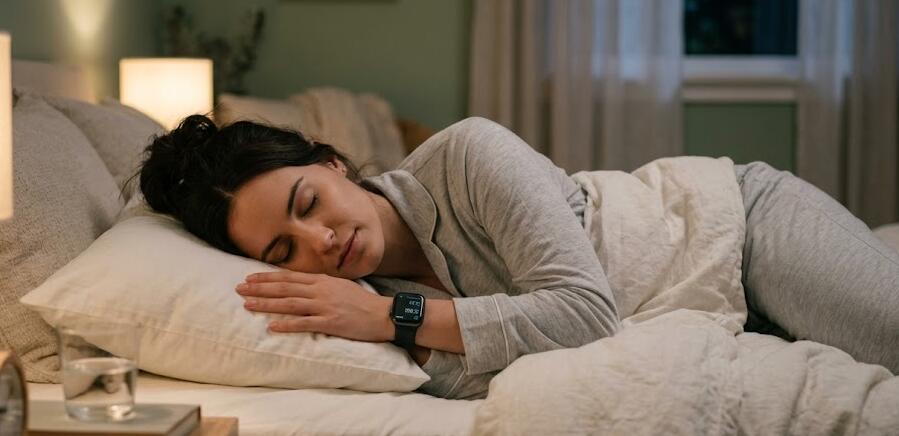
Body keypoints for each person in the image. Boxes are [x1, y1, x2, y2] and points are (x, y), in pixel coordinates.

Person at [135, 114, 899, 399]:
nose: (320, 243)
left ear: (333, 164)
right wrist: (388, 317)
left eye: (308, 205)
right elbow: (468, 381)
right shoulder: (351, 302)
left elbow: (582, 312)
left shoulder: (468, 155)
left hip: (732, 229)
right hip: (702, 320)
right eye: (283, 250)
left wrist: (394, 316)